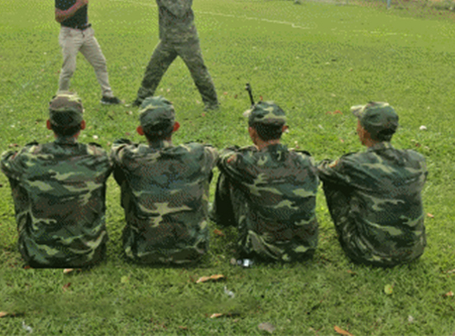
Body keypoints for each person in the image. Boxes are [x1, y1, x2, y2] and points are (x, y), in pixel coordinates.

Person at [0, 93, 112, 268]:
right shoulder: (99, 158)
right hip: (89, 254)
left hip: (37, 255)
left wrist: (30, 150)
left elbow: (5, 161)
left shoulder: (29, 158)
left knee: (18, 176)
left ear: (48, 125)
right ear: (82, 125)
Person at [110, 96, 218, 265]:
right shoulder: (197, 155)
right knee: (203, 170)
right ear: (175, 127)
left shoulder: (129, 157)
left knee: (122, 170)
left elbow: (116, 148)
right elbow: (213, 152)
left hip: (141, 251)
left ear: (140, 130)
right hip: (193, 250)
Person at [317, 102, 427, 267]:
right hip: (414, 251)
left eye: (358, 123)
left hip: (369, 254)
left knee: (334, 181)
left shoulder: (354, 164)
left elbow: (321, 170)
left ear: (364, 130)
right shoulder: (417, 159)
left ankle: (354, 234)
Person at [212, 101, 319, 263]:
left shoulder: (244, 163)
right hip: (305, 248)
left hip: (262, 250)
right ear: (283, 129)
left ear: (251, 132)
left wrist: (250, 150)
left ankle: (220, 217)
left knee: (231, 174)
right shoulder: (306, 160)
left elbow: (223, 157)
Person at [105, 0, 218, 110]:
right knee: (153, 69)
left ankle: (212, 104)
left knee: (199, 72)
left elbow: (180, 10)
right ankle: (141, 100)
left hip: (186, 39)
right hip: (168, 39)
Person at [55, 0, 121, 105]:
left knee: (100, 63)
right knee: (68, 70)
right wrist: (77, 6)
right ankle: (61, 98)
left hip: (86, 32)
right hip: (70, 34)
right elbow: (58, 17)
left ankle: (107, 96)